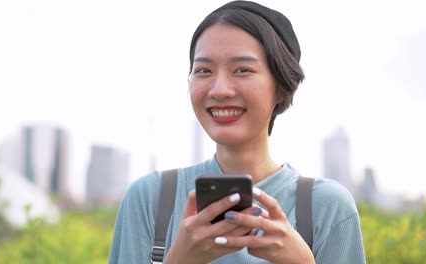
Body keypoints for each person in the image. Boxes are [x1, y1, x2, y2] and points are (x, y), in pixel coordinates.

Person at [108, 1, 366, 263]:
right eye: (204, 70)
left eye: (242, 70)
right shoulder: (149, 198)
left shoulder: (329, 208)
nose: (219, 90)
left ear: (281, 87)